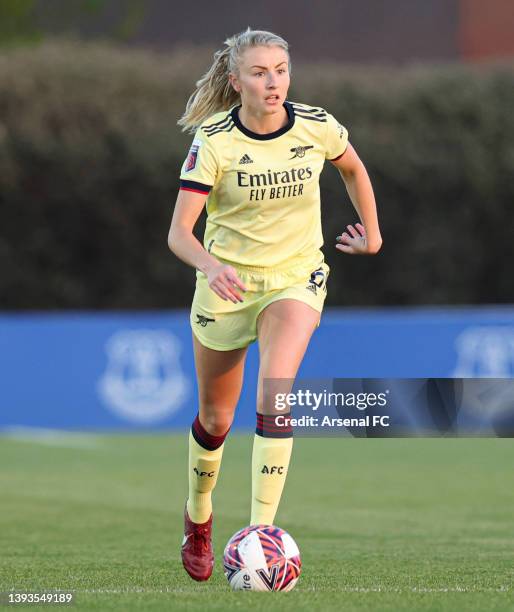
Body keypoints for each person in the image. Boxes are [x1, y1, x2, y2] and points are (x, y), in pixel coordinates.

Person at [168, 28, 382, 582]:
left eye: (281, 70)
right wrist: (211, 267)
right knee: (215, 420)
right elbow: (179, 234)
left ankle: (260, 532)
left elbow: (353, 169)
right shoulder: (214, 142)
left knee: (276, 391)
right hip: (226, 287)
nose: (273, 82)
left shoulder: (315, 124)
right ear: (235, 81)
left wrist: (374, 235)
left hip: (294, 277)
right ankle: (198, 517)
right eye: (260, 72)